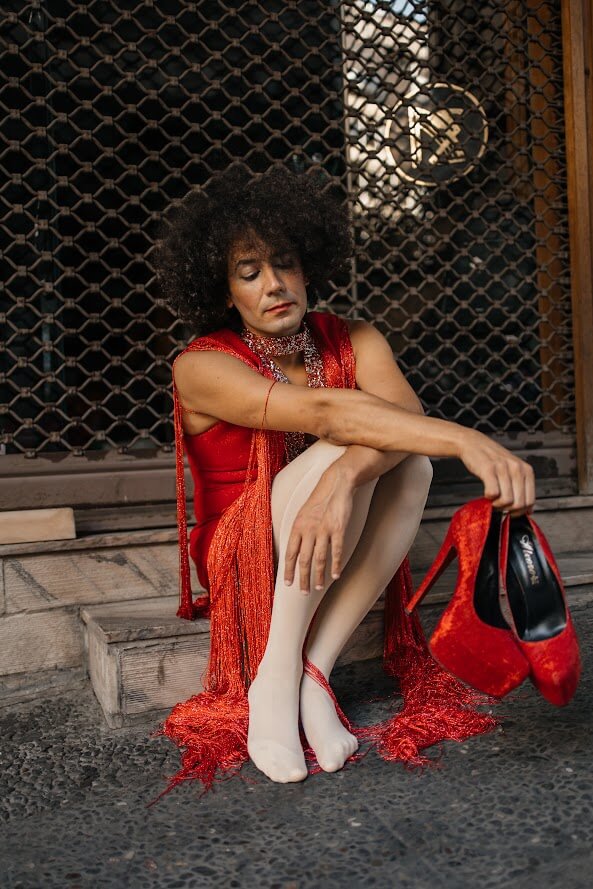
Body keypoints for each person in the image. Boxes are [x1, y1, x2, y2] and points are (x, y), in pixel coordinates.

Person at [149, 162, 535, 798]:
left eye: (286, 263)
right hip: (243, 550)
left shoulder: (352, 336)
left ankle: (312, 675)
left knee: (409, 461)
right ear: (223, 289)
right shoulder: (201, 365)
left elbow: (405, 420)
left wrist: (344, 476)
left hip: (332, 523)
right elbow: (329, 413)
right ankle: (273, 679)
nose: (275, 284)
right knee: (352, 443)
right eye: (249, 272)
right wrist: (468, 440)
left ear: (309, 267)